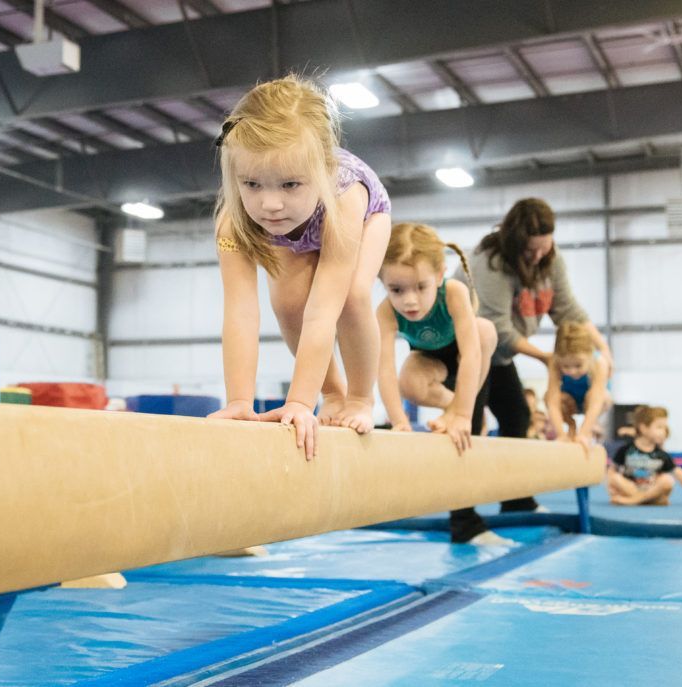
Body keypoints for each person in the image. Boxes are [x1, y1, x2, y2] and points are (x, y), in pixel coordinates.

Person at [208, 75, 391, 460]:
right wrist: (240, 400)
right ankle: (333, 395)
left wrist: (299, 403)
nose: (270, 204)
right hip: (295, 232)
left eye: (290, 184)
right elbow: (240, 312)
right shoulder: (233, 222)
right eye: (252, 184)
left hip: (362, 218)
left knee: (353, 297)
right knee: (289, 304)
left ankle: (358, 398)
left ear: (321, 170)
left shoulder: (346, 200)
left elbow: (324, 312)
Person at [449, 198, 612, 543]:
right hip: (464, 349)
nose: (538, 256)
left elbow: (569, 310)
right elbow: (497, 328)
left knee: (517, 417)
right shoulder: (489, 262)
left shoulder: (550, 262)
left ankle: (516, 501)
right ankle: (463, 522)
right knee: (469, 425)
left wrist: (603, 348)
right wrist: (547, 359)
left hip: (497, 356)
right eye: (530, 250)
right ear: (514, 242)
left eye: (544, 247)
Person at [375, 222, 497, 454]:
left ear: (439, 275)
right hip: (429, 360)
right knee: (407, 382)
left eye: (421, 287)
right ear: (383, 283)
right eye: (397, 290)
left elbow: (472, 354)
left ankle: (459, 410)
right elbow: (385, 370)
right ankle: (453, 407)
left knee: (485, 330)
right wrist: (399, 421)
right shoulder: (385, 312)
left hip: (466, 356)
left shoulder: (453, 293)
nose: (410, 300)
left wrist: (462, 415)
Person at [608, 406, 682, 506]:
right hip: (632, 488)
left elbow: (680, 474)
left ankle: (636, 500)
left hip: (651, 488)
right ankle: (649, 500)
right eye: (659, 427)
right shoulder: (626, 450)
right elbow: (612, 471)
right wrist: (611, 489)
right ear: (643, 428)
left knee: (667, 480)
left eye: (665, 428)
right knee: (615, 478)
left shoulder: (661, 455)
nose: (663, 432)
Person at [544, 321, 612, 452]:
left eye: (578, 365)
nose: (571, 371)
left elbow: (596, 402)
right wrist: (561, 435)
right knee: (548, 396)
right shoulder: (554, 362)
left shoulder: (599, 363)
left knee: (602, 396)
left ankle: (590, 427)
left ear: (589, 354)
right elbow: (552, 401)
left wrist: (583, 434)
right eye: (566, 366)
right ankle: (571, 426)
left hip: (593, 402)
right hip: (569, 402)